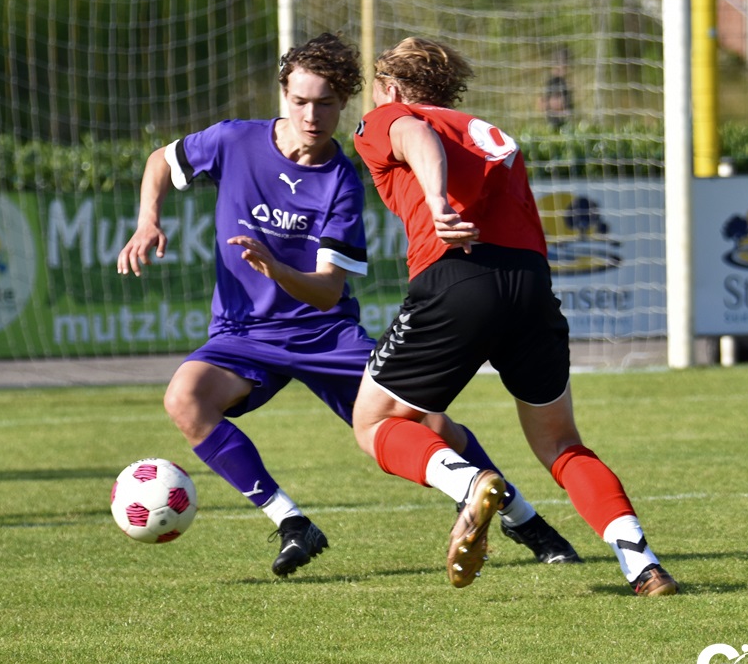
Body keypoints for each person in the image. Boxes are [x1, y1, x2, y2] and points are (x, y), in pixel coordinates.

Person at [117, 33, 580, 579]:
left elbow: (327, 291)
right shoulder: (233, 141)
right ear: (283, 95)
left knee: (431, 424)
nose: (311, 116)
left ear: (344, 104)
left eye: (326, 103)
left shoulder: (340, 183)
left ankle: (524, 520)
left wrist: (275, 268)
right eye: (300, 101)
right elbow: (161, 160)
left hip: (324, 334)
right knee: (185, 399)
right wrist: (148, 219)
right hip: (242, 333)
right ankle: (292, 523)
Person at [352, 37, 678, 595]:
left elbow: (413, 135)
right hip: (530, 286)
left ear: (392, 88)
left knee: (374, 423)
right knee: (561, 444)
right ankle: (643, 564)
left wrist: (437, 202)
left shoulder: (388, 117)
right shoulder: (487, 132)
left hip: (457, 274)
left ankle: (469, 483)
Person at [541, 46, 574, 130]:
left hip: (563, 121)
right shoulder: (554, 82)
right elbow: (545, 102)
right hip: (556, 122)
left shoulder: (563, 81)